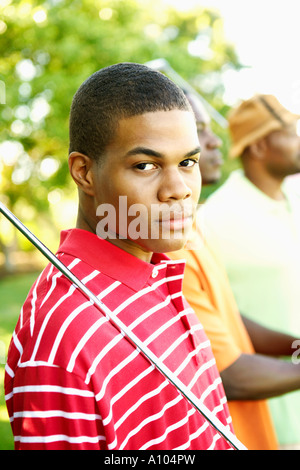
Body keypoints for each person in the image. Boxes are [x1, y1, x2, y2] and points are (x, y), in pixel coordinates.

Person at [4, 63, 236, 450]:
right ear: (84, 173)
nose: (178, 189)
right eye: (145, 165)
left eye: (187, 162)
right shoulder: (66, 334)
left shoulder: (156, 268)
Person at [199, 94, 300, 449]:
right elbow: (223, 324)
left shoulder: (295, 195)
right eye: (290, 132)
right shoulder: (212, 220)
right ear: (259, 146)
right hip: (273, 424)